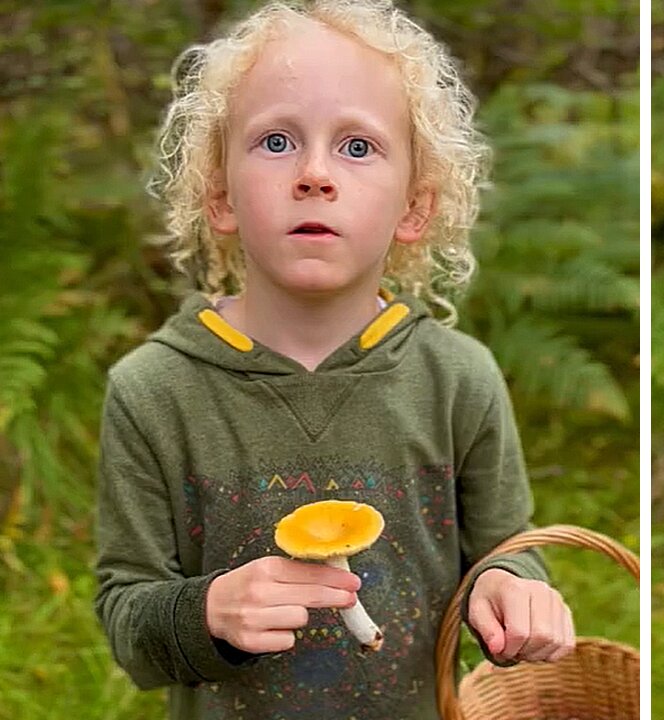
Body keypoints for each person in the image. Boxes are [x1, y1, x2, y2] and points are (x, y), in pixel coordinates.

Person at [93, 1, 574, 717]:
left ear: (413, 209)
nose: (315, 173)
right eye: (277, 141)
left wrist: (510, 586)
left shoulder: (457, 380)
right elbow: (129, 615)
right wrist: (208, 612)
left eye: (357, 147)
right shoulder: (153, 392)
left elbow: (506, 548)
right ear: (219, 196)